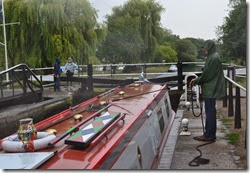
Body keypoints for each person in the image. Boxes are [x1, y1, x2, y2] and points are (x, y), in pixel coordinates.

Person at [190, 40, 225, 142]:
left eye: (205, 48)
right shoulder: (213, 57)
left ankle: (209, 135)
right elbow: (208, 73)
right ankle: (209, 134)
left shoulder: (213, 58)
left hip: (211, 89)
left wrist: (196, 80)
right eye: (203, 48)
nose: (204, 50)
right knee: (210, 111)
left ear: (209, 48)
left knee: (210, 112)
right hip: (210, 88)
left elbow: (207, 75)